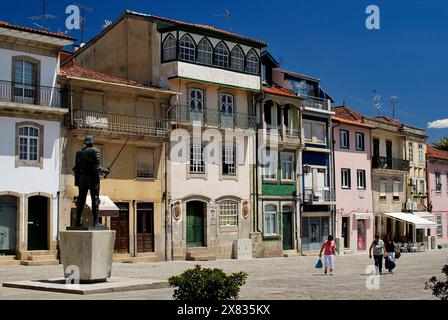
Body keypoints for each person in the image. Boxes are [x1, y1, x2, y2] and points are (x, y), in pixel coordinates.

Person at [73, 136, 110, 228]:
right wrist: (105, 171)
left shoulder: (79, 153)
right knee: (95, 199)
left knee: (81, 200)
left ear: (85, 143)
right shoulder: (95, 151)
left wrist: (77, 181)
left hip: (82, 179)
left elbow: (76, 168)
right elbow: (97, 168)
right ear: (92, 142)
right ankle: (96, 222)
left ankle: (77, 221)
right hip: (93, 180)